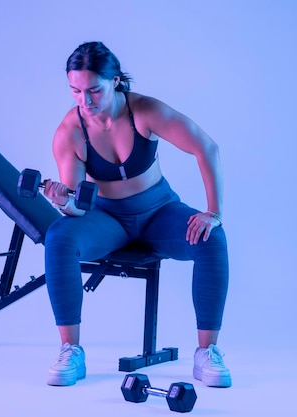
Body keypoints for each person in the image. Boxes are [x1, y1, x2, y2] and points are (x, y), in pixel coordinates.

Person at [42, 41, 231, 388]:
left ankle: (207, 354)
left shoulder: (143, 110)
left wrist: (213, 212)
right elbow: (77, 204)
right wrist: (61, 201)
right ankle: (71, 350)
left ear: (115, 81)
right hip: (107, 219)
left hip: (159, 211)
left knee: (211, 238)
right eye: (76, 91)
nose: (85, 101)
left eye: (93, 90)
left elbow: (207, 147)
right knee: (59, 236)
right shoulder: (69, 132)